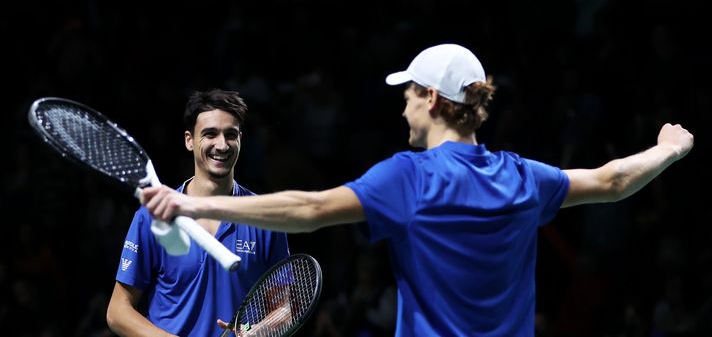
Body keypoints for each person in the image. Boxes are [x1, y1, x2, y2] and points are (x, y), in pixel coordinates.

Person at [140, 44, 694, 336]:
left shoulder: (410, 177)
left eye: (407, 93)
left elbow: (309, 210)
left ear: (431, 98)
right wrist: (669, 149)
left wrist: (194, 201)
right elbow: (613, 180)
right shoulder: (523, 177)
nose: (402, 104)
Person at [106, 89, 290, 336]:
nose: (222, 145)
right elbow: (118, 312)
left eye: (231, 135)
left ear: (240, 139)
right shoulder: (153, 216)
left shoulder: (265, 218)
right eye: (210, 134)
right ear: (189, 140)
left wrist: (260, 331)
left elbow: (284, 309)